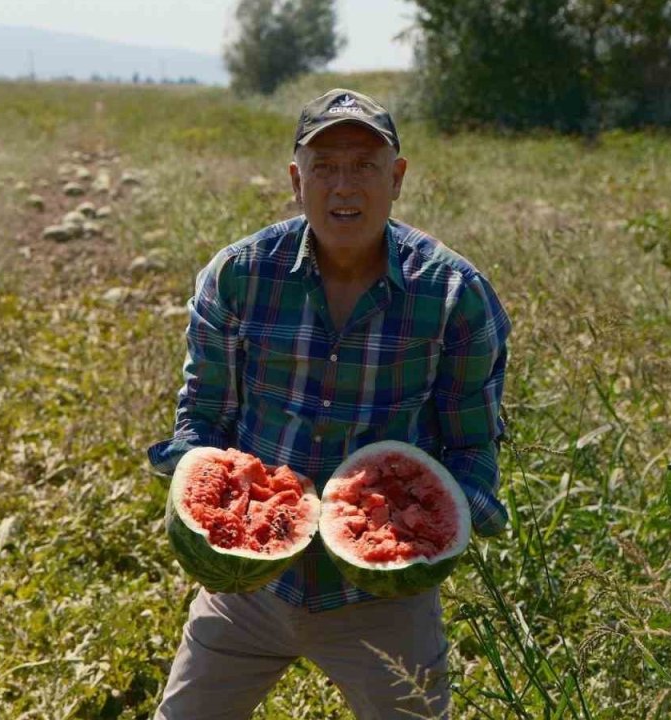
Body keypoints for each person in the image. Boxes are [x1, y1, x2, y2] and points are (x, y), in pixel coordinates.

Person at [146, 89, 512, 719]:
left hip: (384, 602)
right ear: (297, 181)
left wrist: (441, 523)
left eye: (365, 165)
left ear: (396, 178)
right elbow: (203, 412)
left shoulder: (455, 295)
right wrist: (200, 489)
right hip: (250, 590)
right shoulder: (238, 276)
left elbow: (472, 443)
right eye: (325, 167)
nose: (344, 186)